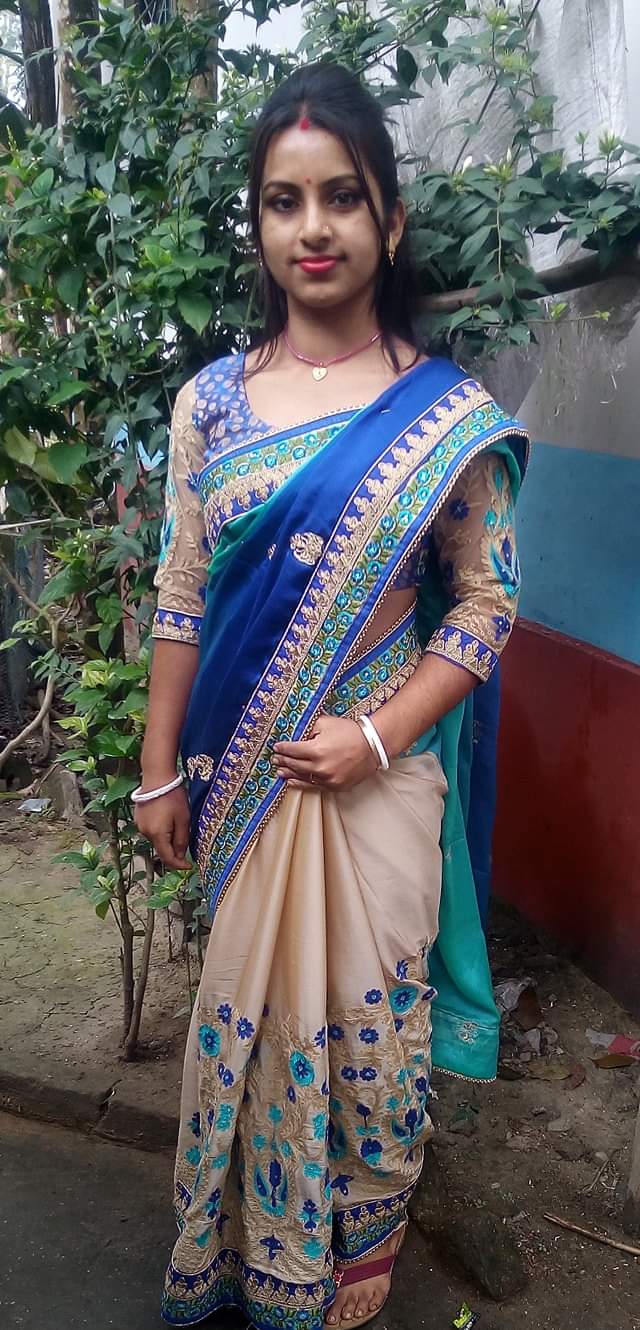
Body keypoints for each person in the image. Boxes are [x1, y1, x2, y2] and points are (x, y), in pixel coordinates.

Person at [134, 61, 527, 1330]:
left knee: (371, 1034)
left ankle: (347, 1269)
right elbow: (183, 593)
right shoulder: (211, 407)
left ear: (388, 221)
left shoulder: (445, 417)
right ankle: (249, 1257)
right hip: (240, 782)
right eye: (284, 200)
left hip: (377, 792)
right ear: (257, 224)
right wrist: (155, 770)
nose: (313, 227)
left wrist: (374, 735)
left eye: (341, 197)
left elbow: (485, 604)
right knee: (248, 1025)